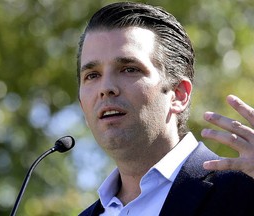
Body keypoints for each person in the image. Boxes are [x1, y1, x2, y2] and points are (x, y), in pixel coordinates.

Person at [76, 2, 254, 215]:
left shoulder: (244, 191)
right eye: (92, 75)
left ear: (179, 94)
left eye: (129, 69)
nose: (106, 88)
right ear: (81, 104)